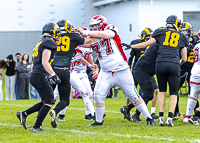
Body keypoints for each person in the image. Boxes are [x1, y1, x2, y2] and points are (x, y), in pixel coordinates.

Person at [74, 15, 156, 126]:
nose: (93, 28)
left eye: (95, 26)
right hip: (106, 72)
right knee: (98, 96)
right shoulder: (92, 38)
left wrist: (86, 32)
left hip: (121, 70)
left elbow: (103, 34)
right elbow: (83, 42)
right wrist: (72, 38)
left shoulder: (110, 29)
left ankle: (149, 118)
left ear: (101, 24)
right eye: (92, 27)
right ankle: (99, 121)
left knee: (133, 96)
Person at [122, 15, 188, 127]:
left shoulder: (160, 37)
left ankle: (156, 115)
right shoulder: (165, 43)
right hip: (144, 70)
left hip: (155, 69)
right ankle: (136, 113)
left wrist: (131, 46)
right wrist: (178, 62)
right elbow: (184, 57)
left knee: (157, 92)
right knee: (152, 93)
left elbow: (145, 44)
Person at [49, 19, 96, 128]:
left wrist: (90, 65)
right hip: (69, 71)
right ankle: (59, 114)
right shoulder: (74, 40)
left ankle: (90, 114)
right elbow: (85, 44)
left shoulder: (55, 39)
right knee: (59, 96)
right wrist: (100, 35)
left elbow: (81, 58)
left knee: (54, 95)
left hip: (58, 70)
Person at [16, 22, 61, 133]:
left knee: (46, 101)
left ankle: (24, 114)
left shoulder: (41, 42)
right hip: (40, 75)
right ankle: (36, 127)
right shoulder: (49, 42)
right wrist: (53, 75)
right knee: (49, 101)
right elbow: (45, 62)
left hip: (36, 74)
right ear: (53, 32)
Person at [120, 28, 159, 122]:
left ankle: (131, 110)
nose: (150, 38)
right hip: (139, 70)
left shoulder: (154, 45)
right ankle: (130, 111)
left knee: (151, 93)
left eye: (151, 36)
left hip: (147, 71)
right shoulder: (144, 44)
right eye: (148, 36)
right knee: (133, 92)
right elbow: (131, 57)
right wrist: (128, 67)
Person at [173, 22, 199, 121]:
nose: (184, 34)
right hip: (182, 69)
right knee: (174, 90)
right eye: (182, 31)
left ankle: (196, 114)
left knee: (192, 93)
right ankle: (176, 112)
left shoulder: (196, 41)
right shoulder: (179, 42)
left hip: (193, 70)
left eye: (186, 31)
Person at [183, 29, 200, 125]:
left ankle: (187, 116)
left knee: (193, 95)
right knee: (193, 95)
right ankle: (196, 116)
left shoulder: (197, 45)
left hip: (195, 71)